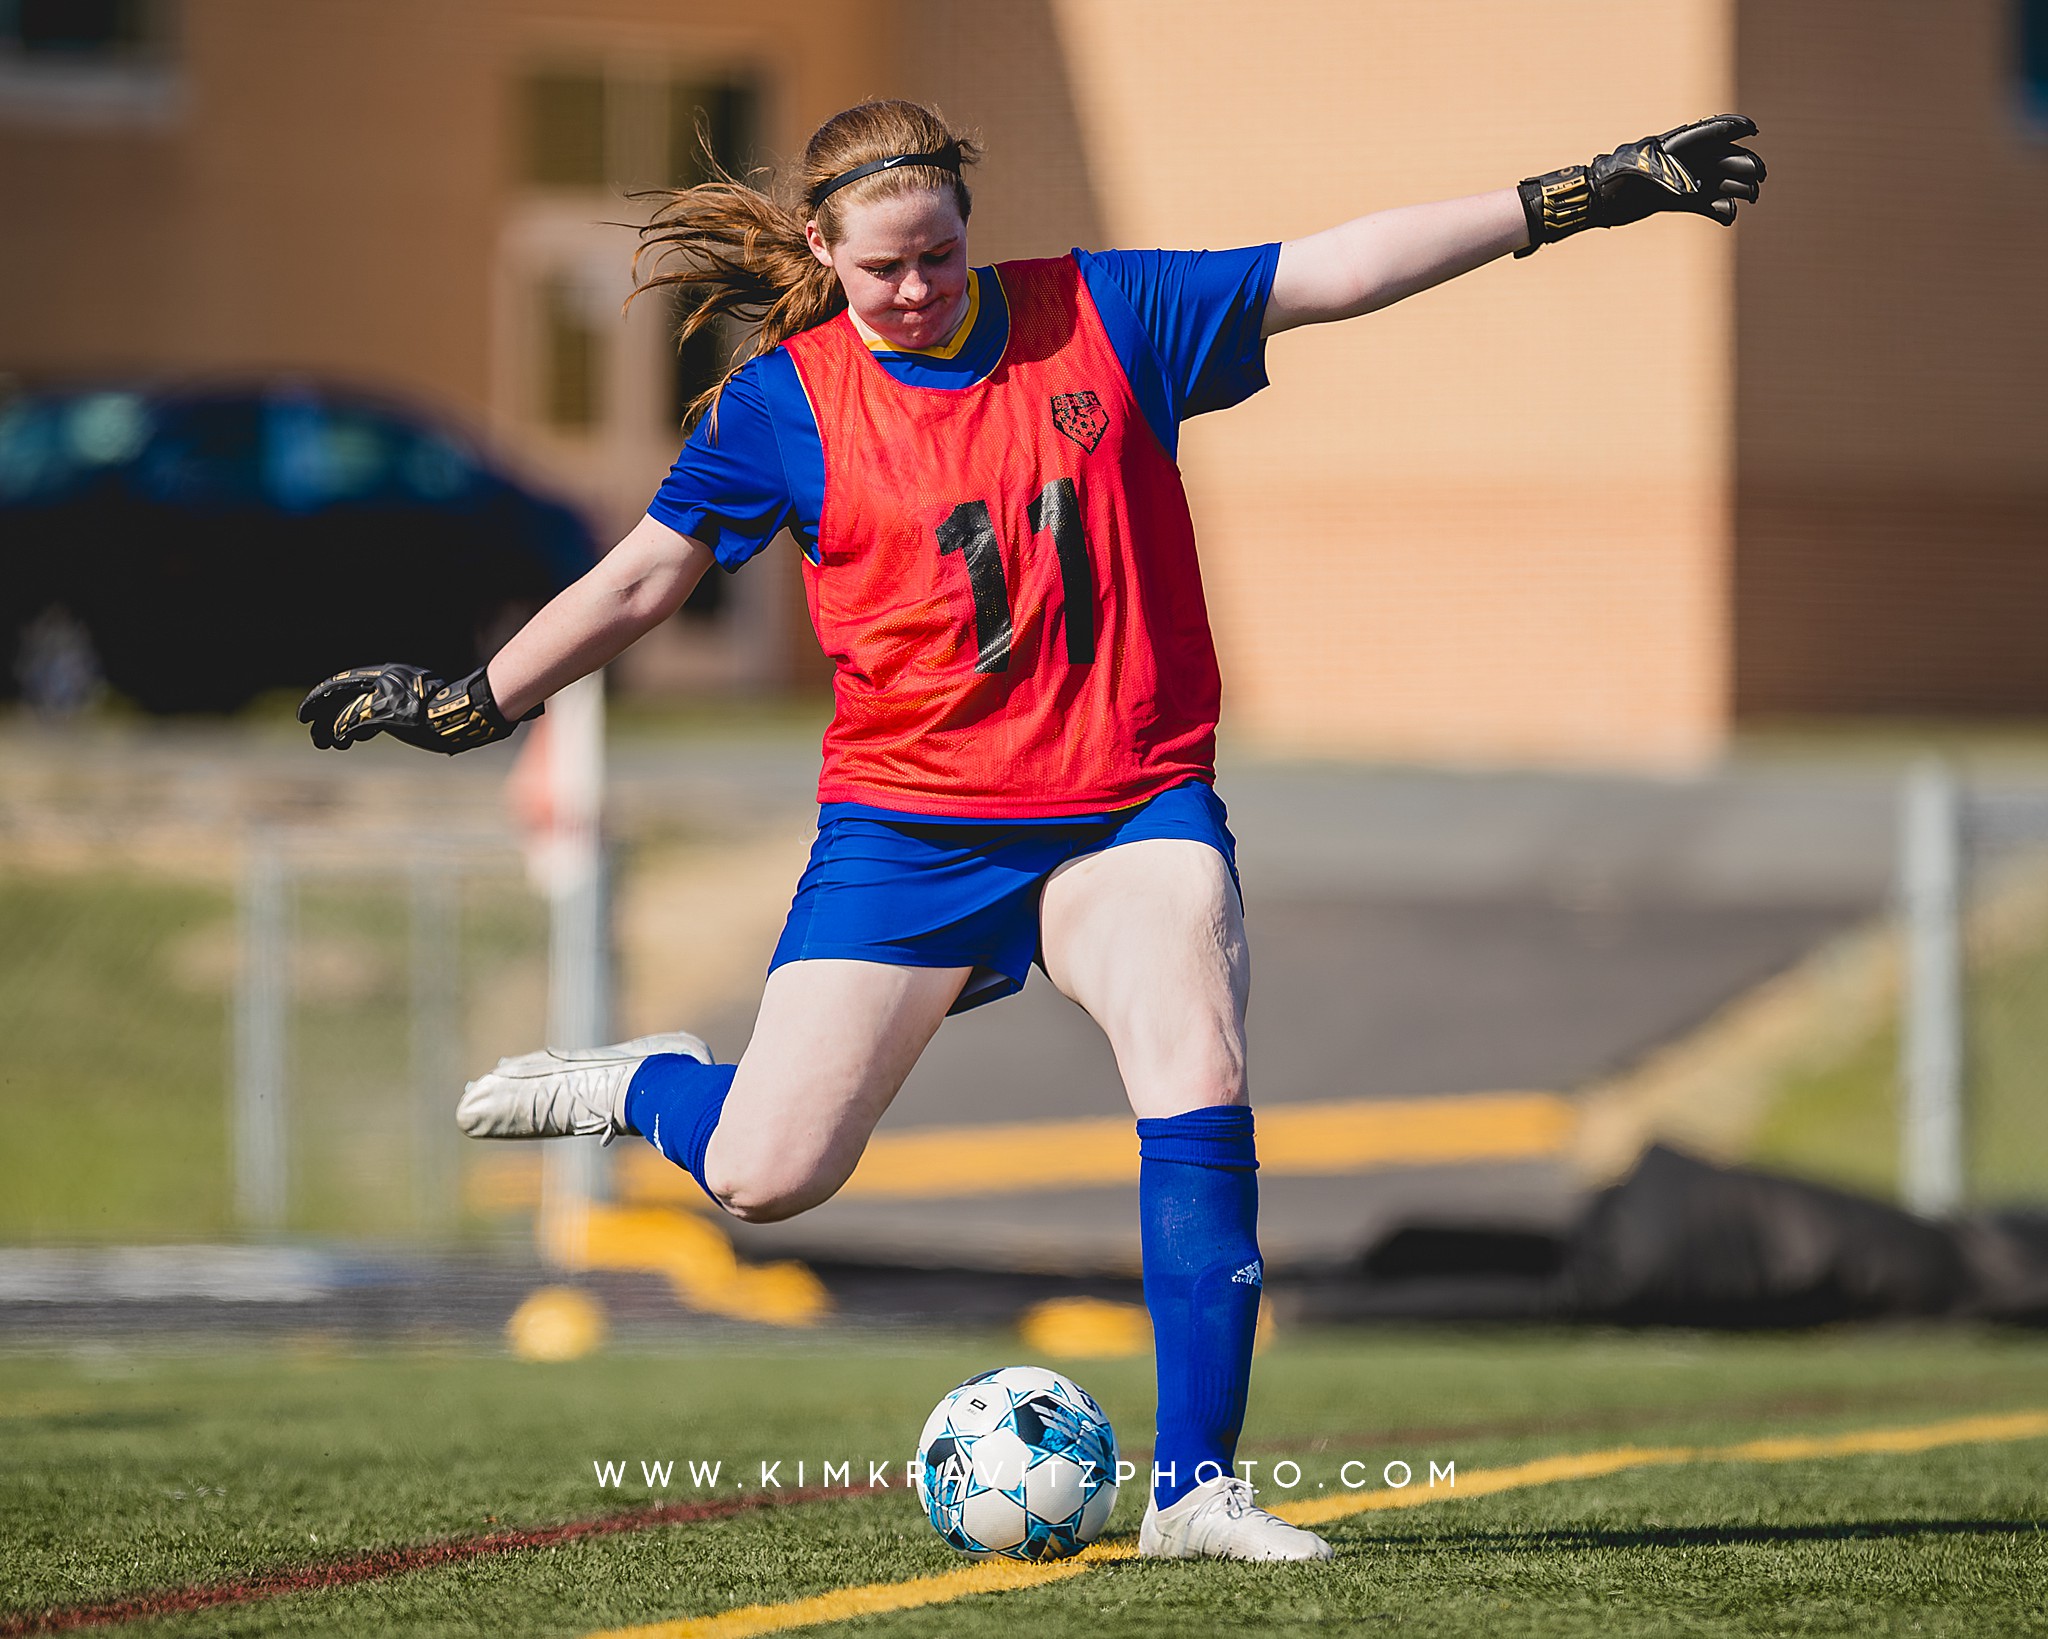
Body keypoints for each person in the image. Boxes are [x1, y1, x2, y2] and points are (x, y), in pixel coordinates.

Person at [299, 100, 1764, 1561]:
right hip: (909, 831)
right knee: (768, 1173)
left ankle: (1197, 1493)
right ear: (822, 249)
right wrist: (472, 705)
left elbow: (1336, 271)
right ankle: (654, 1088)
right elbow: (638, 582)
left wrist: (1575, 197)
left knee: (1196, 1063)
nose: (919, 288)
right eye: (883, 269)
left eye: (939, 252)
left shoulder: (1107, 315)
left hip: (1126, 805)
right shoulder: (784, 402)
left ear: (966, 225)